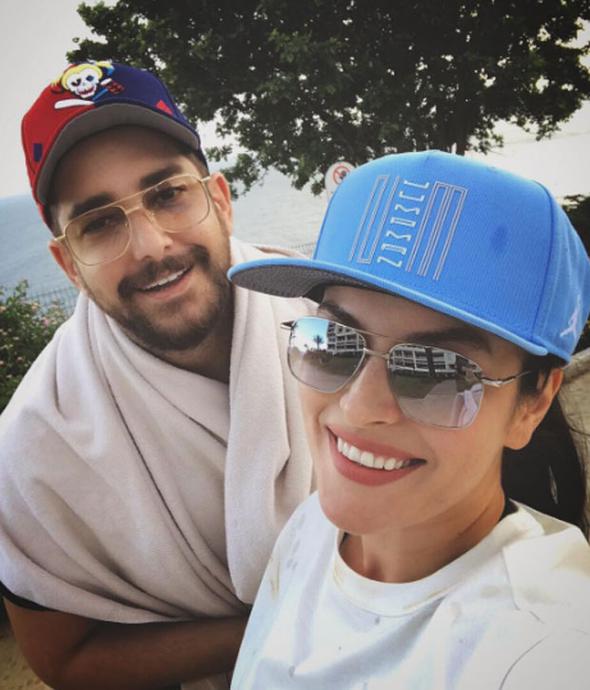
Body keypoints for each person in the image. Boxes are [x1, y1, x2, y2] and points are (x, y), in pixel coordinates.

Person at [0, 60, 313, 690]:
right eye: (98, 223)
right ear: (68, 263)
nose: (150, 246)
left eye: (168, 194)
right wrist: (299, 623)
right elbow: (65, 658)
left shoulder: (337, 313)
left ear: (219, 200)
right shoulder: (31, 450)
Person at [228, 150, 590, 689]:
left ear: (532, 404)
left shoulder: (547, 650)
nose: (359, 408)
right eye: (333, 343)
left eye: (438, 371)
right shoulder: (311, 529)